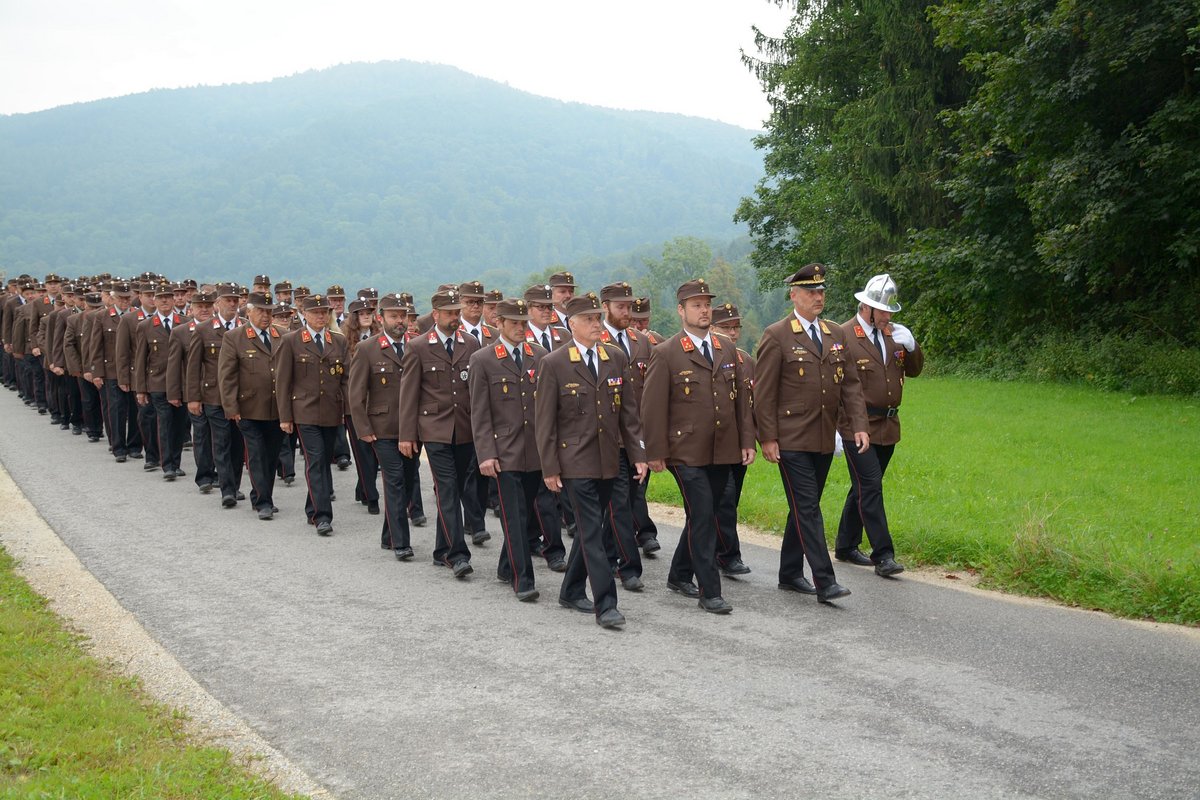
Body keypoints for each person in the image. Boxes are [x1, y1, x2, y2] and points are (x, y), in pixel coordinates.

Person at [754, 262, 868, 604]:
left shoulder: (835, 333)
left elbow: (850, 385)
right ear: (794, 295)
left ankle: (789, 573)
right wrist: (768, 438)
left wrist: (859, 425)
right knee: (807, 508)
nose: (818, 297)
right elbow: (764, 392)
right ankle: (825, 581)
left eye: (821, 291)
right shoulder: (777, 335)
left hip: (822, 437)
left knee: (805, 506)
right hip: (790, 439)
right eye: (810, 292)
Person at [535, 292, 647, 629]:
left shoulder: (614, 357)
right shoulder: (553, 364)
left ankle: (570, 590)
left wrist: (639, 455)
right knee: (592, 532)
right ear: (572, 324)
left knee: (592, 529)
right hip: (575, 462)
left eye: (598, 318)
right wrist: (550, 467)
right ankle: (606, 604)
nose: (596, 324)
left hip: (609, 460)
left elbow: (629, 414)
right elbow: (545, 423)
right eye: (589, 319)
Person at [643, 280, 755, 614]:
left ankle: (679, 575)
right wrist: (654, 452)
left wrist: (746, 441)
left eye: (707, 304)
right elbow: (652, 408)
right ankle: (710, 591)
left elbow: (740, 401)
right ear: (681, 310)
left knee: (701, 515)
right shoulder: (666, 353)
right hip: (685, 451)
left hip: (722, 450)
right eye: (696, 305)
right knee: (705, 514)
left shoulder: (726, 348)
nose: (704, 310)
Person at [834, 274, 923, 577]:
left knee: (863, 487)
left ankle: (845, 545)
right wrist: (835, 427)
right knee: (870, 486)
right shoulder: (844, 335)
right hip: (855, 425)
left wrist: (911, 346)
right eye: (882, 311)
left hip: (887, 424)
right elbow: (833, 385)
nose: (887, 316)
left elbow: (914, 370)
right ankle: (883, 555)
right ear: (865, 307)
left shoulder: (891, 333)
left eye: (889, 311)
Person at [398, 288, 482, 577]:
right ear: (435, 314)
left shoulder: (470, 343)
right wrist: (407, 435)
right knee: (446, 489)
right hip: (434, 430)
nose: (454, 317)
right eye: (449, 313)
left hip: (464, 429)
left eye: (456, 312)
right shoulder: (419, 346)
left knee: (456, 490)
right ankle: (457, 555)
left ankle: (440, 549)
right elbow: (408, 395)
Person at [468, 298, 548, 601]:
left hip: (534, 452)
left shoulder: (539, 356)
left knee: (524, 514)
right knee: (513, 517)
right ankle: (522, 578)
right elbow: (479, 411)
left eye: (523, 322)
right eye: (514, 322)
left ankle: (505, 565)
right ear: (498, 323)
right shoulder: (483, 359)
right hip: (503, 453)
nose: (520, 328)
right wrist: (485, 453)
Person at [276, 294, 349, 536]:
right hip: (304, 412)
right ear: (304, 314)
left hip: (331, 411)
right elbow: (283, 382)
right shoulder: (291, 341)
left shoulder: (338, 341)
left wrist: (348, 412)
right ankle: (322, 516)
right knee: (316, 460)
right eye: (316, 312)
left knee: (323, 461)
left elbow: (345, 380)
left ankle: (312, 507)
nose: (321, 316)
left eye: (324, 312)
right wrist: (285, 417)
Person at [348, 294, 414, 559]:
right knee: (395, 481)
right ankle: (401, 542)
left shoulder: (416, 346)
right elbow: (355, 394)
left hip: (411, 430)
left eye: (403, 316)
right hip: (382, 428)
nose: (400, 321)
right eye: (394, 316)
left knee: (408, 483)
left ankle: (389, 534)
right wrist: (363, 428)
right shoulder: (368, 349)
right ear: (381, 318)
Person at [600, 282, 660, 557]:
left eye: (628, 306)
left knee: (633, 496)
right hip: (607, 437)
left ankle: (609, 552)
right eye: (620, 307)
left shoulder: (642, 341)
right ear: (605, 308)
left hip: (637, 436)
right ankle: (624, 562)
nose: (627, 312)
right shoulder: (595, 340)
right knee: (618, 502)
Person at [218, 291, 283, 521]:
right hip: (249, 408)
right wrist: (231, 407)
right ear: (249, 311)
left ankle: (262, 494)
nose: (266, 316)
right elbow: (227, 376)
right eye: (261, 311)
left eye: (269, 312)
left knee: (272, 455)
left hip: (276, 408)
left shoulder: (281, 335)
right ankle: (264, 502)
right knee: (255, 454)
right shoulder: (234, 337)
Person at [187, 284, 245, 507]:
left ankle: (235, 485)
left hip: (241, 397)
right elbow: (193, 367)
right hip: (214, 396)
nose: (232, 304)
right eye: (228, 300)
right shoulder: (203, 329)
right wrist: (193, 397)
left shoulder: (245, 328)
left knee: (238, 444)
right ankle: (227, 489)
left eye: (235, 300)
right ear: (217, 303)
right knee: (221, 443)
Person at [709, 303, 755, 576]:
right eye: (725, 327)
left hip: (740, 441)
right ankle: (728, 555)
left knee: (730, 499)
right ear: (712, 328)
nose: (732, 332)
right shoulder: (707, 358)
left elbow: (752, 404)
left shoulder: (745, 360)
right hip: (715, 442)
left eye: (735, 327)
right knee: (724, 498)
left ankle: (717, 546)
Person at [134, 284, 189, 481]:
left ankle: (176, 462)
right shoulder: (146, 326)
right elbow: (140, 359)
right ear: (154, 300)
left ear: (174, 300)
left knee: (179, 424)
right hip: (158, 382)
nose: (165, 301)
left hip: (182, 383)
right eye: (161, 297)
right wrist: (141, 388)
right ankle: (168, 465)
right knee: (164, 423)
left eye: (168, 297)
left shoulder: (185, 323)